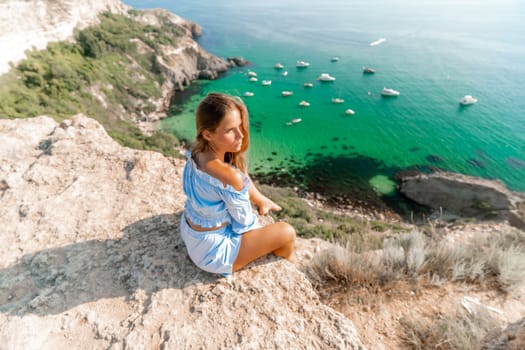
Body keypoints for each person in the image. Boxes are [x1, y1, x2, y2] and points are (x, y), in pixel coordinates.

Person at [180, 92, 296, 275]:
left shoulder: (196, 152)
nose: (241, 135)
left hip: (190, 232)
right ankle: (287, 270)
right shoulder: (228, 176)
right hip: (213, 253)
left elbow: (237, 175)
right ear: (208, 134)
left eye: (240, 126)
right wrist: (265, 238)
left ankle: (263, 201)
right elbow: (245, 224)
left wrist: (258, 198)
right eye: (230, 130)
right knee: (286, 233)